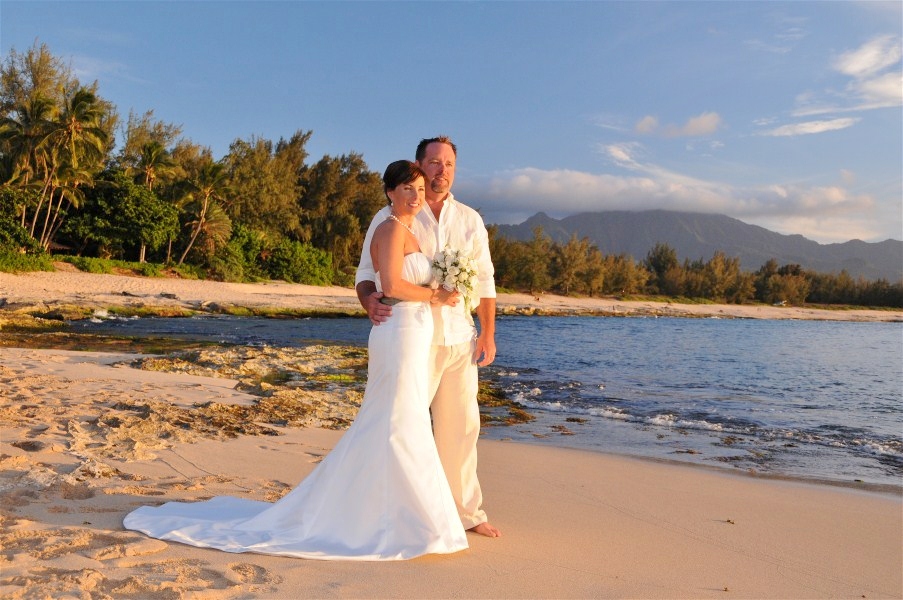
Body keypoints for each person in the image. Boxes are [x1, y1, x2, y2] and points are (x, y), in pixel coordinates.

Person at [123, 161, 467, 560]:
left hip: (411, 330)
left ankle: (391, 512)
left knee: (398, 418)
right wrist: (436, 296)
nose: (416, 195)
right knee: (397, 418)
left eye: (421, 189)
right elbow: (390, 284)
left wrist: (438, 287)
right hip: (401, 330)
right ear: (390, 192)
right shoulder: (390, 227)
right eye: (408, 188)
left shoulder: (408, 230)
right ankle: (399, 518)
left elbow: (401, 282)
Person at [356, 136, 501, 538]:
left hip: (460, 338)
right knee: (406, 425)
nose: (442, 171)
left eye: (449, 164)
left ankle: (466, 513)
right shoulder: (394, 213)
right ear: (419, 165)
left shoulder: (470, 219)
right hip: (413, 339)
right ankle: (398, 510)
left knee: (463, 426)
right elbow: (366, 276)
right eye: (434, 163)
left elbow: (486, 280)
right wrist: (369, 302)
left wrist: (488, 333)